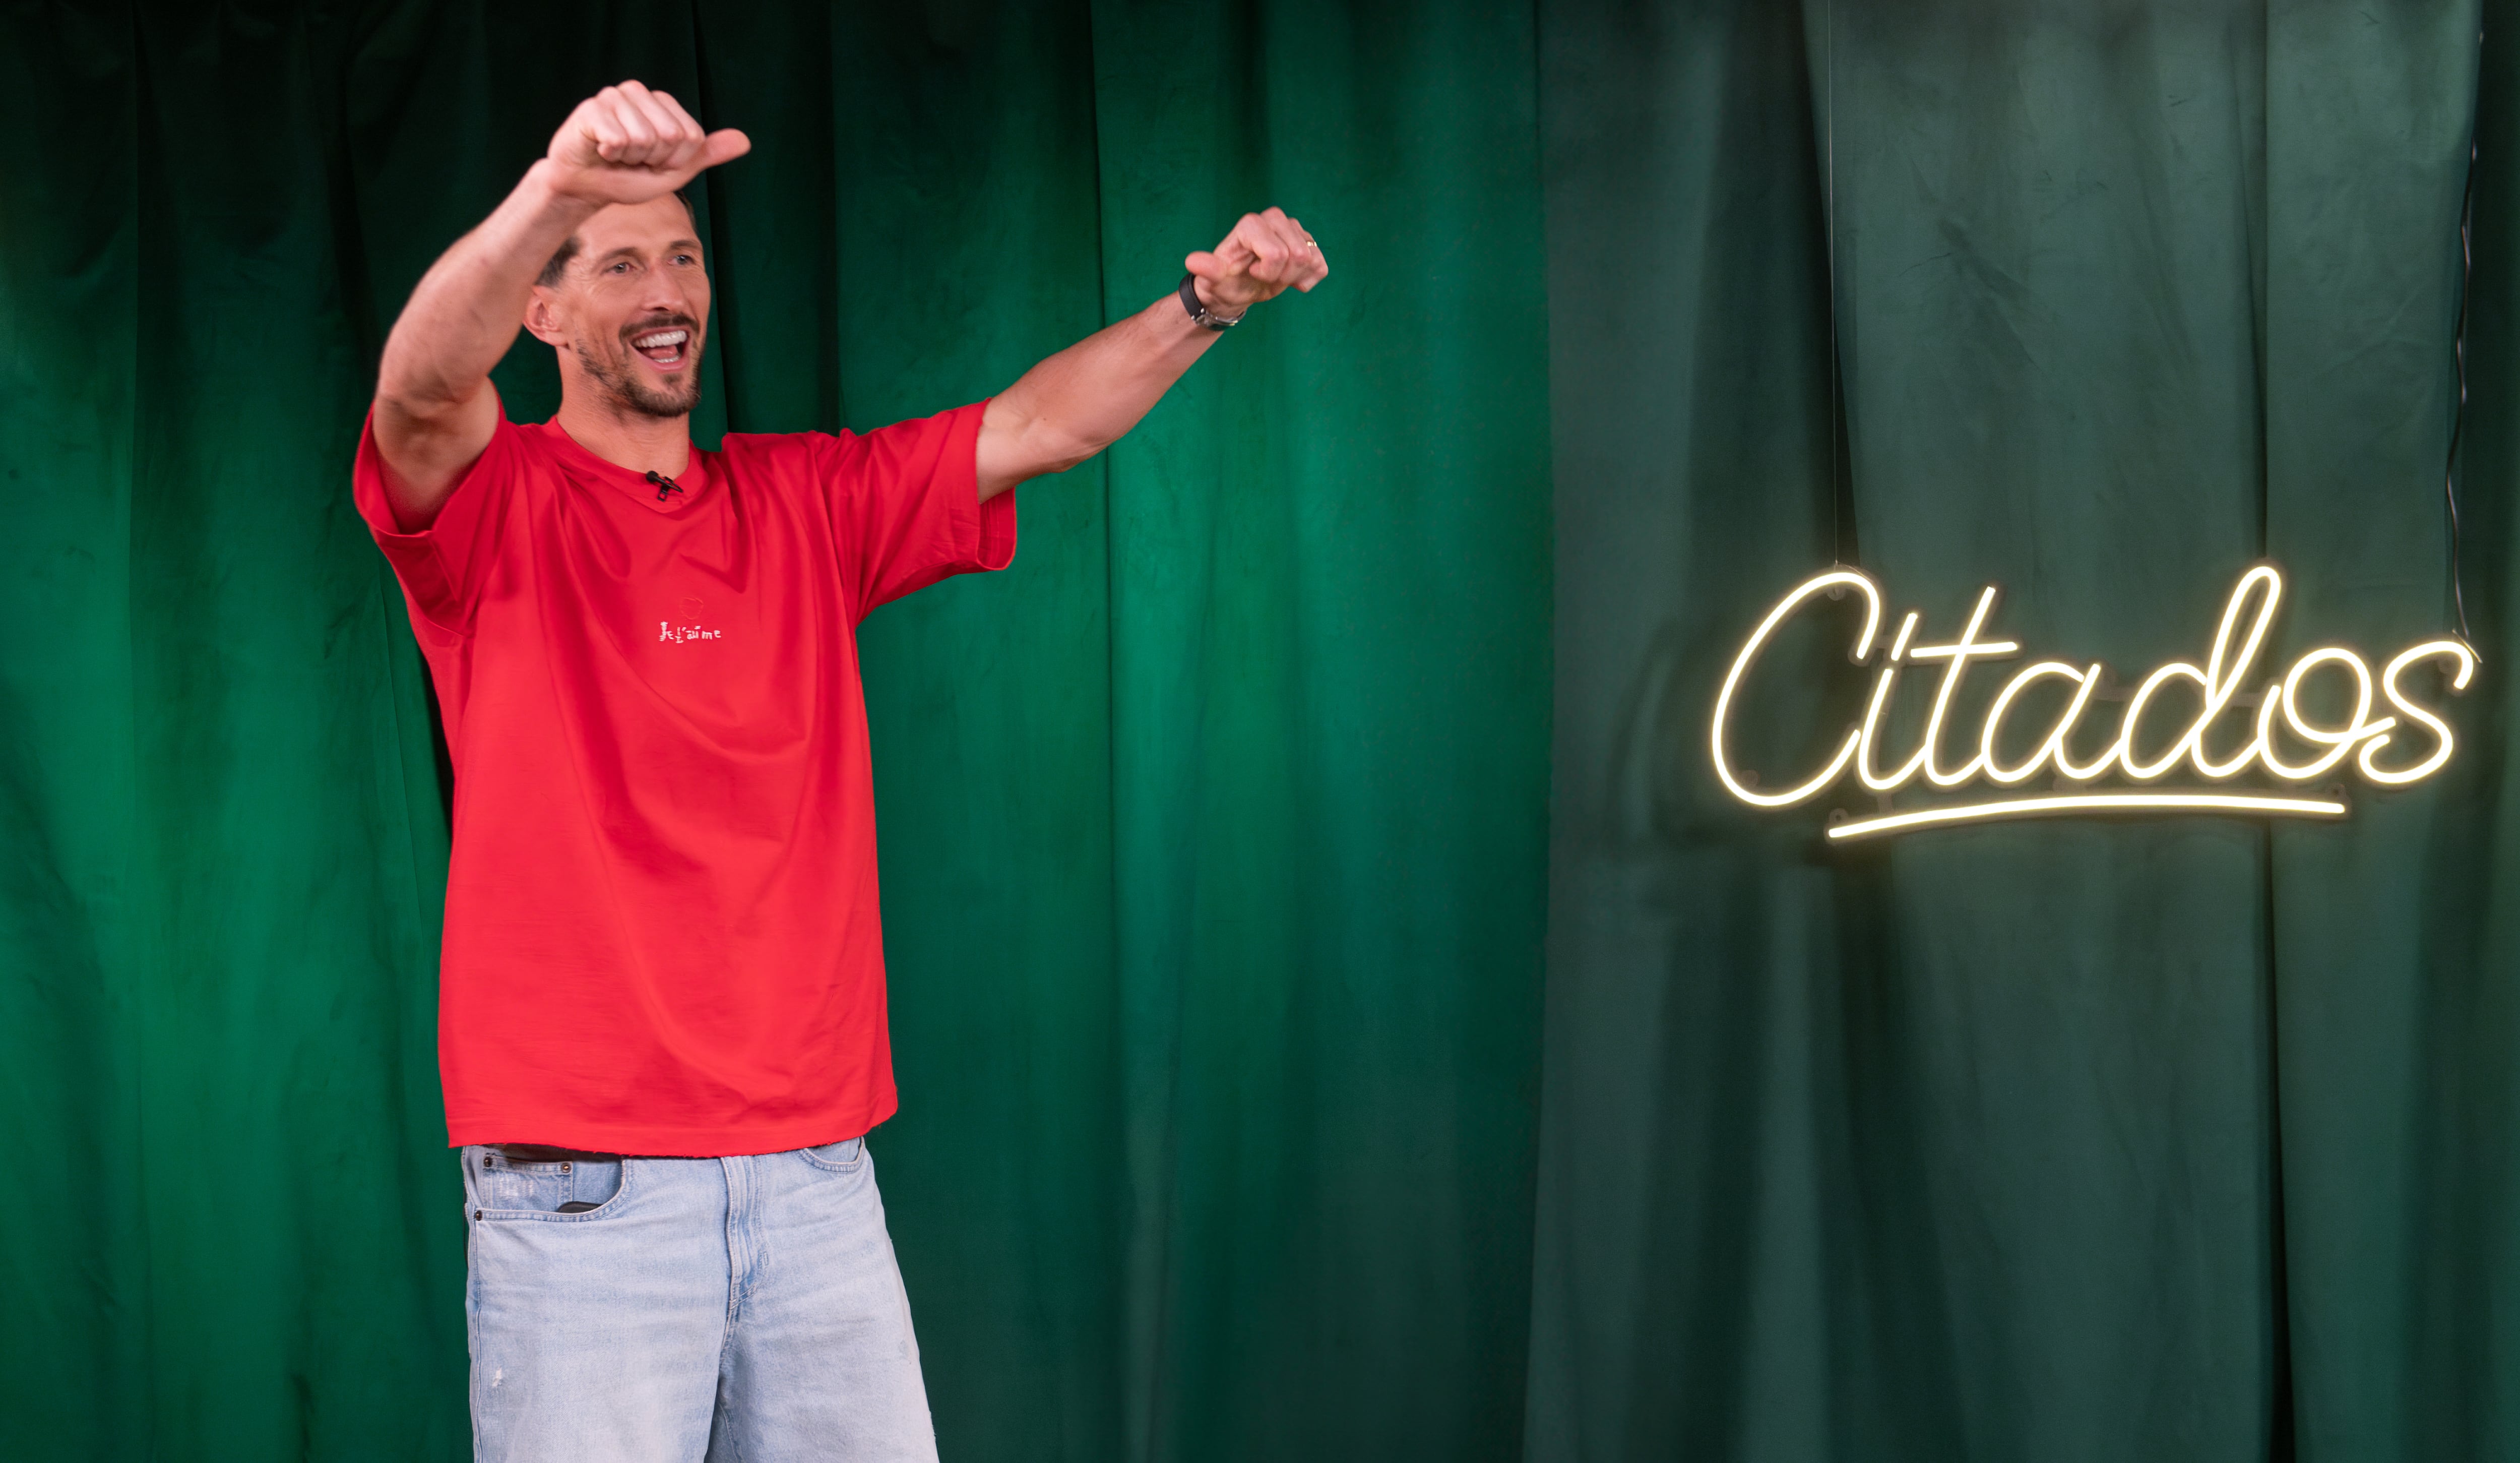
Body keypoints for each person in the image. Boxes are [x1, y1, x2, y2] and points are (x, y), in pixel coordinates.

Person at [354, 80, 1327, 1462]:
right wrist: (555, 191)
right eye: (618, 260)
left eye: (682, 254)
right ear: (548, 312)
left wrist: (1209, 304)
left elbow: (1044, 426)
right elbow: (415, 388)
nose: (664, 286)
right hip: (584, 1196)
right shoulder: (492, 508)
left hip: (816, 1184)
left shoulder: (804, 502)